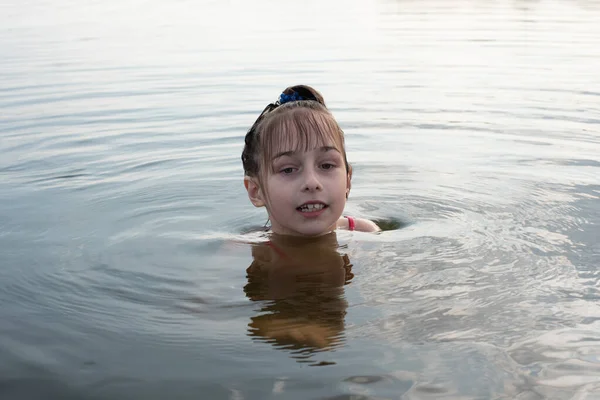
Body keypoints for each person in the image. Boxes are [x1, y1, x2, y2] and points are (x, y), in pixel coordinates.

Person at [241, 85, 380, 237]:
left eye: (326, 165)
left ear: (347, 181)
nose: (312, 183)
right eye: (288, 169)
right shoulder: (241, 251)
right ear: (256, 191)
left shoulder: (366, 234)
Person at [244, 231, 353, 357]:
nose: (313, 296)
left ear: (347, 271)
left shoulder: (362, 231)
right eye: (329, 311)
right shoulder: (250, 242)